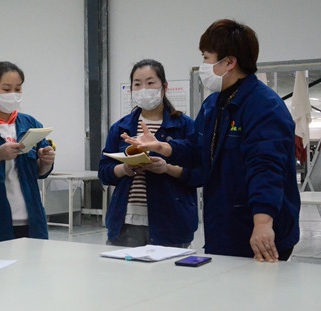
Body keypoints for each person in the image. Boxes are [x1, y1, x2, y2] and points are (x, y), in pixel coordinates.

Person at [123, 19, 300, 262]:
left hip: (258, 229)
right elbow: (197, 150)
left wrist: (263, 223)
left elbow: (267, 168)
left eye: (207, 58)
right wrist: (162, 147)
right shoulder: (213, 105)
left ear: (229, 62)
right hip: (223, 224)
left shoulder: (264, 107)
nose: (203, 65)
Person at [98, 59, 199, 248]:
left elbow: (199, 174)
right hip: (125, 222)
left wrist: (166, 168)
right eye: (137, 84)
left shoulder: (184, 126)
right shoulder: (121, 127)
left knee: (168, 268)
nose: (143, 89)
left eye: (150, 83)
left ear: (164, 87)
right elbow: (104, 172)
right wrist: (124, 168)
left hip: (170, 222)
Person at [0, 61, 55, 242]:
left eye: (18, 89)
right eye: (6, 89)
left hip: (31, 219)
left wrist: (46, 162)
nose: (13, 94)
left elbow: (39, 172)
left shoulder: (29, 123)